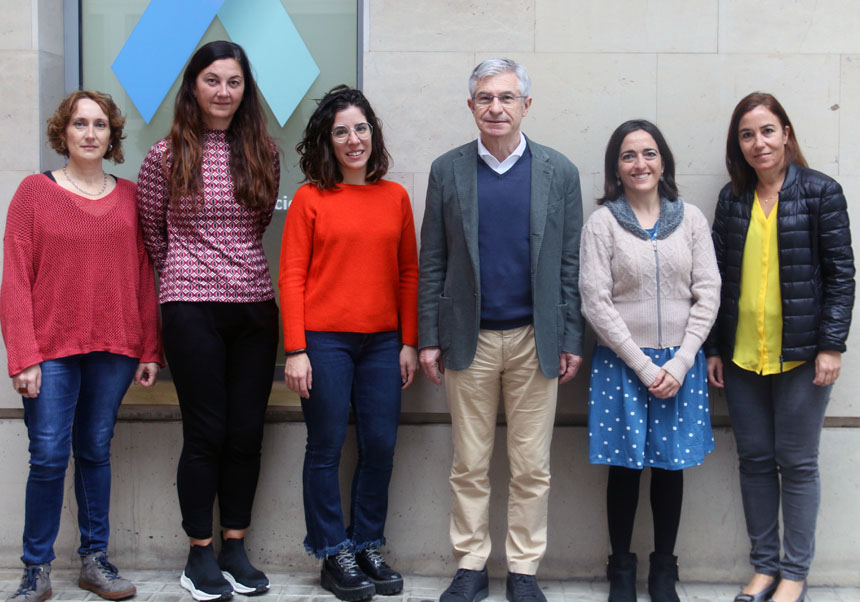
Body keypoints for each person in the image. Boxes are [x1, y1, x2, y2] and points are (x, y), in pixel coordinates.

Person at [417, 58, 584, 602]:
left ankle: (523, 571)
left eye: (507, 98)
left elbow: (569, 263)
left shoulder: (558, 171)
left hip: (537, 340)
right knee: (469, 464)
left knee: (531, 467)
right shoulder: (448, 170)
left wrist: (570, 338)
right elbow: (433, 261)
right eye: (485, 98)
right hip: (470, 341)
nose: (496, 107)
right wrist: (428, 337)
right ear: (471, 107)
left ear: (526, 105)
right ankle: (469, 566)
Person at [0, 91, 162, 602]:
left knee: (94, 450)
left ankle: (95, 560)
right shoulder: (33, 192)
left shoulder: (132, 197)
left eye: (99, 124)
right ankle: (36, 568)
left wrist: (150, 349)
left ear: (112, 135)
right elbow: (15, 280)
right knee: (48, 454)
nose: (90, 133)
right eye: (79, 124)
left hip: (114, 348)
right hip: (49, 351)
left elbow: (144, 276)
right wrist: (22, 355)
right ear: (63, 133)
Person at [137, 40, 280, 601]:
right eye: (213, 80)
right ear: (194, 85)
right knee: (206, 432)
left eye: (234, 82)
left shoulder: (264, 151)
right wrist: (186, 274)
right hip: (189, 304)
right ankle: (198, 553)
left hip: (253, 305)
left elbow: (260, 219)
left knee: (246, 432)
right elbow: (153, 234)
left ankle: (235, 545)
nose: (223, 91)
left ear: (245, 90)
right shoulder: (165, 155)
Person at [706, 93, 854, 602]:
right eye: (747, 135)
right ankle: (764, 568)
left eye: (767, 131)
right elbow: (714, 281)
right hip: (743, 357)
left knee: (797, 461)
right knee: (754, 461)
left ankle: (795, 573)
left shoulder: (821, 193)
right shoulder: (731, 199)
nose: (758, 143)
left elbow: (841, 276)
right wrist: (714, 348)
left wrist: (832, 345)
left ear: (786, 133)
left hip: (802, 357)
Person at [279, 85, 418, 602]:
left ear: (372, 134)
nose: (353, 139)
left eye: (361, 128)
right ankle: (332, 550)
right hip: (324, 342)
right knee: (326, 447)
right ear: (327, 140)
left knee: (380, 444)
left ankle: (366, 544)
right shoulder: (311, 199)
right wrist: (296, 349)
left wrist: (408, 341)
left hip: (384, 343)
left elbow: (409, 273)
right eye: (341, 131)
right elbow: (291, 276)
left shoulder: (395, 197)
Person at [579, 120, 720, 602]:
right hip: (623, 364)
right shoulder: (602, 224)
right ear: (615, 168)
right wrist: (642, 364)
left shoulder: (692, 220)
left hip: (681, 365)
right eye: (628, 155)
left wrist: (680, 362)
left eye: (649, 153)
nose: (640, 163)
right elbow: (594, 301)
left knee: (670, 467)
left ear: (663, 161)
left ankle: (664, 571)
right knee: (624, 468)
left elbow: (709, 293)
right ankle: (620, 570)